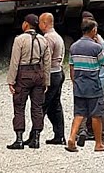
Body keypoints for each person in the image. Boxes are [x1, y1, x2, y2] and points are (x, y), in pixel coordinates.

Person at [6, 14, 53, 150]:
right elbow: (47, 62)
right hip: (38, 74)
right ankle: (36, 138)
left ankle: (19, 139)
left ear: (26, 24)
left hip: (23, 74)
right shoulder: (43, 40)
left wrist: (11, 80)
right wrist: (46, 81)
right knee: (37, 107)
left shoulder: (20, 40)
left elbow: (15, 61)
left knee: (19, 106)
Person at [66, 19, 104, 152]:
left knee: (79, 113)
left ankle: (72, 138)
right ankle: (98, 144)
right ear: (94, 31)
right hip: (93, 85)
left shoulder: (74, 46)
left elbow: (71, 66)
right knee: (96, 115)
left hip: (79, 85)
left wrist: (74, 82)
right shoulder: (96, 47)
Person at [79, 11, 104, 143]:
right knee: (103, 109)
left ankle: (83, 131)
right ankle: (103, 136)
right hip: (102, 81)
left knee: (83, 106)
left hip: (86, 81)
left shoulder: (79, 46)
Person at [37, 12, 67, 145]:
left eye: (39, 22)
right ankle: (59, 135)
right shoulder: (58, 37)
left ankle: (35, 135)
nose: (38, 25)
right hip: (59, 71)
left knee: (42, 105)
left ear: (45, 23)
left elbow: (45, 59)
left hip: (51, 74)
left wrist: (43, 77)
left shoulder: (48, 38)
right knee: (55, 105)